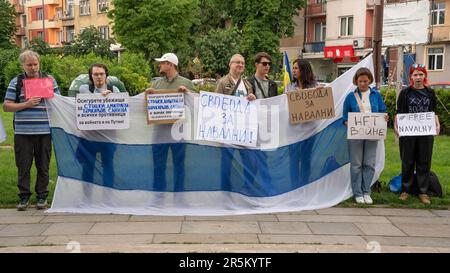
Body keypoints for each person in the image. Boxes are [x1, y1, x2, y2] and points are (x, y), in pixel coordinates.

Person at [3, 50, 60, 211]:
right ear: (22, 65)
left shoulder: (49, 80)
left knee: (43, 165)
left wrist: (52, 100)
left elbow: (59, 103)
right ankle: (24, 197)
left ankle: (42, 196)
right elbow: (6, 106)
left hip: (44, 131)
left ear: (39, 63)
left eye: (36, 64)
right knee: (23, 166)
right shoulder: (17, 82)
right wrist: (25, 104)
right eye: (29, 65)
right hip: (23, 133)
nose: (33, 67)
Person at [145, 53, 194, 191]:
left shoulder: (186, 83)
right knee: (158, 165)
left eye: (162, 62)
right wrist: (147, 96)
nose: (159, 65)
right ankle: (158, 195)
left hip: (179, 132)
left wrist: (188, 93)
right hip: (159, 132)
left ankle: (179, 195)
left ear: (170, 65)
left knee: (179, 165)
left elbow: (195, 106)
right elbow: (146, 108)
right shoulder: (155, 84)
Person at [394, 64, 440, 205]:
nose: (418, 77)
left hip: (425, 133)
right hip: (408, 133)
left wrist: (437, 125)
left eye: (421, 74)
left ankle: (423, 192)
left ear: (425, 76)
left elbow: (434, 112)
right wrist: (396, 127)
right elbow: (399, 114)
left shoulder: (430, 93)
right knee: (407, 161)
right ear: (411, 77)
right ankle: (406, 190)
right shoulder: (405, 93)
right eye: (415, 75)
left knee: (424, 162)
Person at [215, 54, 261, 193]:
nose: (240, 65)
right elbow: (216, 104)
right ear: (230, 64)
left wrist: (253, 98)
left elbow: (251, 106)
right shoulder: (223, 82)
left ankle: (248, 187)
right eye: (237, 62)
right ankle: (226, 189)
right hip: (228, 128)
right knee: (227, 162)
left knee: (249, 160)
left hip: (244, 129)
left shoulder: (247, 84)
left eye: (243, 62)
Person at [342, 68, 388, 204]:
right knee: (356, 164)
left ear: (370, 81)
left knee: (369, 163)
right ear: (356, 81)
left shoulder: (376, 95)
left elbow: (383, 111)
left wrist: (385, 117)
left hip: (372, 134)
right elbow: (344, 117)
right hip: (355, 135)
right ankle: (357, 193)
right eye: (360, 81)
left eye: (365, 81)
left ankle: (366, 191)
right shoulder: (350, 97)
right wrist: (348, 123)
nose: (362, 83)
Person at [74, 63, 120, 187]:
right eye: (95, 74)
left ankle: (108, 195)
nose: (99, 77)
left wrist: (110, 98)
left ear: (106, 76)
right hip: (89, 137)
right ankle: (87, 197)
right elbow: (86, 101)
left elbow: (121, 109)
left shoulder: (114, 90)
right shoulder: (84, 88)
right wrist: (101, 97)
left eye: (101, 74)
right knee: (88, 166)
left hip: (108, 136)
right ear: (91, 76)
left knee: (108, 166)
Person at [286, 59, 318, 187]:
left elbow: (319, 105)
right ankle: (294, 186)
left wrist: (318, 93)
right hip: (293, 129)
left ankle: (304, 185)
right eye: (293, 68)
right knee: (293, 160)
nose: (293, 70)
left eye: (296, 68)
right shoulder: (289, 87)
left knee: (305, 159)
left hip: (309, 129)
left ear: (303, 70)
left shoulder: (315, 87)